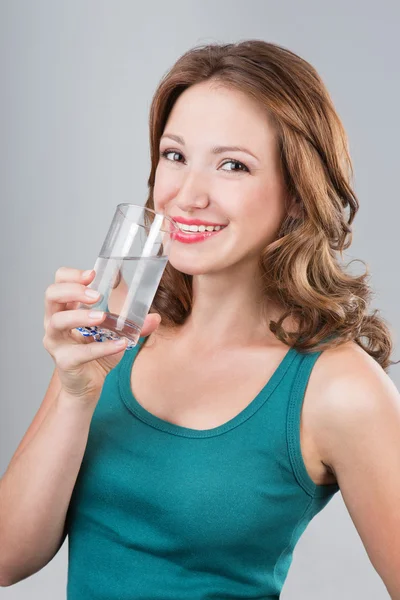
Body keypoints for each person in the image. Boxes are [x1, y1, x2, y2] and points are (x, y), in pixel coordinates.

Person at [1, 40, 399, 599]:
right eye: (175, 155)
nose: (187, 195)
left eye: (233, 165)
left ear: (296, 195)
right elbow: (8, 556)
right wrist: (76, 392)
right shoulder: (115, 324)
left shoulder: (340, 387)